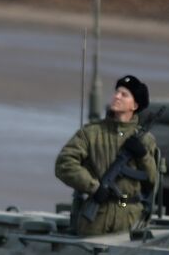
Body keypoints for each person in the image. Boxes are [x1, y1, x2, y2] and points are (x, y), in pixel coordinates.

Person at [54, 74, 159, 236]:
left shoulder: (145, 140)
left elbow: (153, 181)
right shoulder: (91, 133)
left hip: (129, 215)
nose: (117, 96)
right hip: (97, 215)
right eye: (117, 92)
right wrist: (93, 187)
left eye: (124, 94)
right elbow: (64, 164)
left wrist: (143, 155)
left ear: (135, 105)